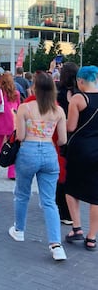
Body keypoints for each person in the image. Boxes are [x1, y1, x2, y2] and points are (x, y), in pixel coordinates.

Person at [9, 72, 67, 261]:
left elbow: (20, 136)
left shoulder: (25, 108)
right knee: (49, 201)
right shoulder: (58, 111)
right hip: (50, 153)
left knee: (22, 194)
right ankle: (56, 244)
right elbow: (63, 139)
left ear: (35, 88)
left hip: (29, 151)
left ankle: (19, 229)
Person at [65, 66, 98, 251]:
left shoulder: (79, 98)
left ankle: (76, 227)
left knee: (71, 188)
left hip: (81, 149)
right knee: (96, 196)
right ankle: (92, 238)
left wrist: (70, 104)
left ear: (80, 81)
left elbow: (71, 127)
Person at [55, 62, 79, 225]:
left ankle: (60, 209)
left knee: (60, 173)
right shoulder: (80, 94)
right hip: (78, 137)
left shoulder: (58, 93)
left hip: (60, 136)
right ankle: (71, 213)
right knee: (72, 173)